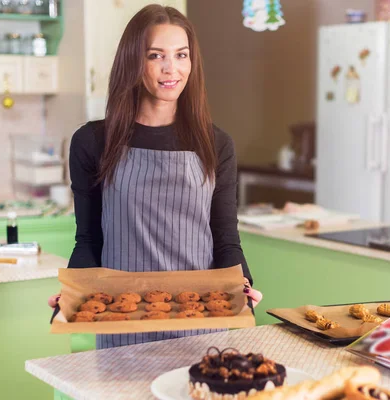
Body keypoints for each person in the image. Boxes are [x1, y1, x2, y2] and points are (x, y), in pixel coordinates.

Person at [49, 4, 262, 349]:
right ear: (133, 61)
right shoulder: (92, 142)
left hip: (202, 325)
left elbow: (225, 239)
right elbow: (89, 240)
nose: (171, 68)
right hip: (123, 326)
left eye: (181, 55)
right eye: (155, 55)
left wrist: (244, 287)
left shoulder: (216, 143)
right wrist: (72, 295)